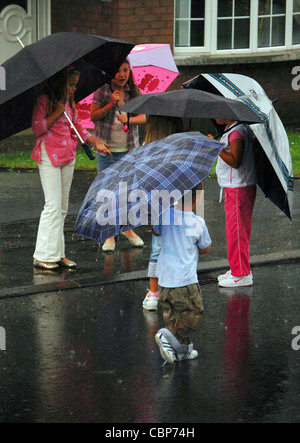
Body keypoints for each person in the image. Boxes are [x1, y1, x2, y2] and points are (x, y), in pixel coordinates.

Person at [31, 67, 111, 270]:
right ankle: (42, 255)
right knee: (52, 206)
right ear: (60, 83)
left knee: (63, 207)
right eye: (71, 84)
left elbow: (77, 126)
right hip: (49, 154)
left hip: (68, 155)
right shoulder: (44, 100)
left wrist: (94, 141)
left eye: (75, 84)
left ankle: (57, 253)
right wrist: (57, 112)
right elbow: (37, 127)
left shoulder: (69, 102)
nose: (74, 88)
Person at [90, 59, 146, 252]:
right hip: (106, 150)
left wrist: (129, 118)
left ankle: (128, 229)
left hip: (129, 150)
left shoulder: (134, 91)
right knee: (107, 191)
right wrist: (109, 105)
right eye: (118, 71)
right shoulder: (102, 90)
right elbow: (93, 116)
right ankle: (109, 234)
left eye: (125, 70)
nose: (122, 75)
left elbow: (144, 117)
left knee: (128, 191)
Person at [153, 182, 212, 364]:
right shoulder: (197, 222)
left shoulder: (164, 216)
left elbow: (156, 231)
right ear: (196, 199)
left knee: (173, 315)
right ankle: (168, 336)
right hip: (184, 280)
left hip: (164, 279)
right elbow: (204, 248)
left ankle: (181, 351)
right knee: (193, 311)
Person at [142, 115, 183, 311]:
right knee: (178, 247)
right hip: (180, 206)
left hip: (157, 206)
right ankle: (175, 290)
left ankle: (153, 292)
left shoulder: (148, 148)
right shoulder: (180, 146)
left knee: (157, 249)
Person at [214, 119, 257, 288]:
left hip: (238, 188)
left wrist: (215, 147)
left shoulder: (236, 132)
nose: (214, 115)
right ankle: (238, 268)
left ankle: (241, 274)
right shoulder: (231, 129)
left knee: (236, 232)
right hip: (235, 188)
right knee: (235, 231)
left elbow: (235, 161)